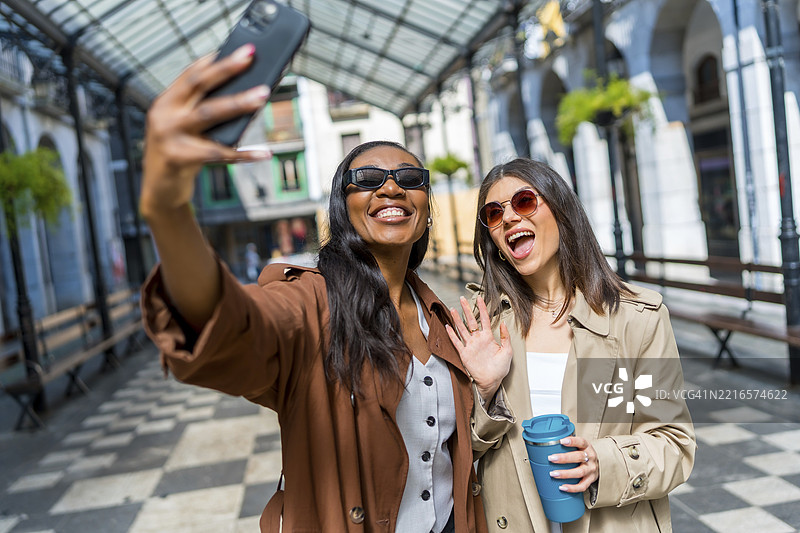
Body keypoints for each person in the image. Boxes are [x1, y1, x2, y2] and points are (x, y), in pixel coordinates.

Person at [139, 45, 486, 532]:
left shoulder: (443, 319)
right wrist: (168, 208)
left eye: (410, 178)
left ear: (426, 207)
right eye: (367, 179)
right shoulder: (312, 303)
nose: (391, 188)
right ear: (343, 207)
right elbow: (232, 324)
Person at [445, 158, 695, 532]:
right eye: (494, 214)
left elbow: (674, 445)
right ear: (493, 241)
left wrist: (603, 463)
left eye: (525, 201)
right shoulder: (484, 328)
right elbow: (456, 457)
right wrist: (484, 391)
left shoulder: (633, 320)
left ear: (562, 212)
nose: (509, 218)